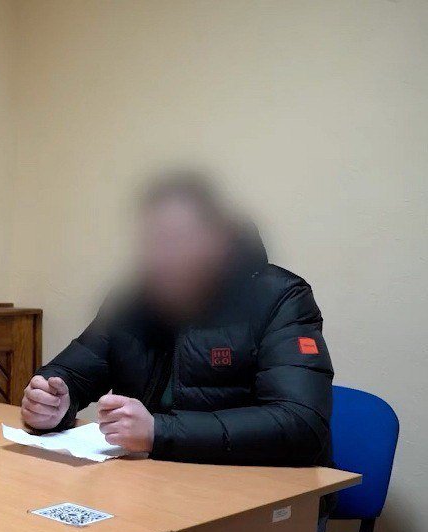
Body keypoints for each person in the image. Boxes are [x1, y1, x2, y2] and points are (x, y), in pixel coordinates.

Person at [21, 171, 333, 466]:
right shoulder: (133, 300)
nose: (162, 255)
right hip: (150, 478)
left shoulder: (280, 298)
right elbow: (72, 372)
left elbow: (301, 425)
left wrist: (158, 432)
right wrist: (52, 403)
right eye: (153, 240)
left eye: (178, 238)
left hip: (257, 486)